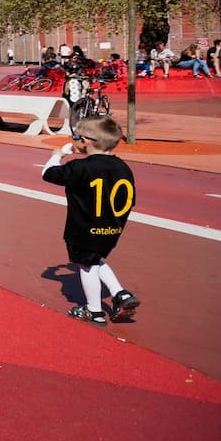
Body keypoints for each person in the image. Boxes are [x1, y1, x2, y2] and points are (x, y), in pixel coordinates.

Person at [40, 115, 141, 326]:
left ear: (85, 141)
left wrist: (57, 155)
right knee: (95, 258)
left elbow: (48, 174)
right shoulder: (123, 168)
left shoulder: (81, 168)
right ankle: (120, 294)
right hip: (112, 229)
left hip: (84, 228)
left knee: (86, 266)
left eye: (75, 135)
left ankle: (94, 311)